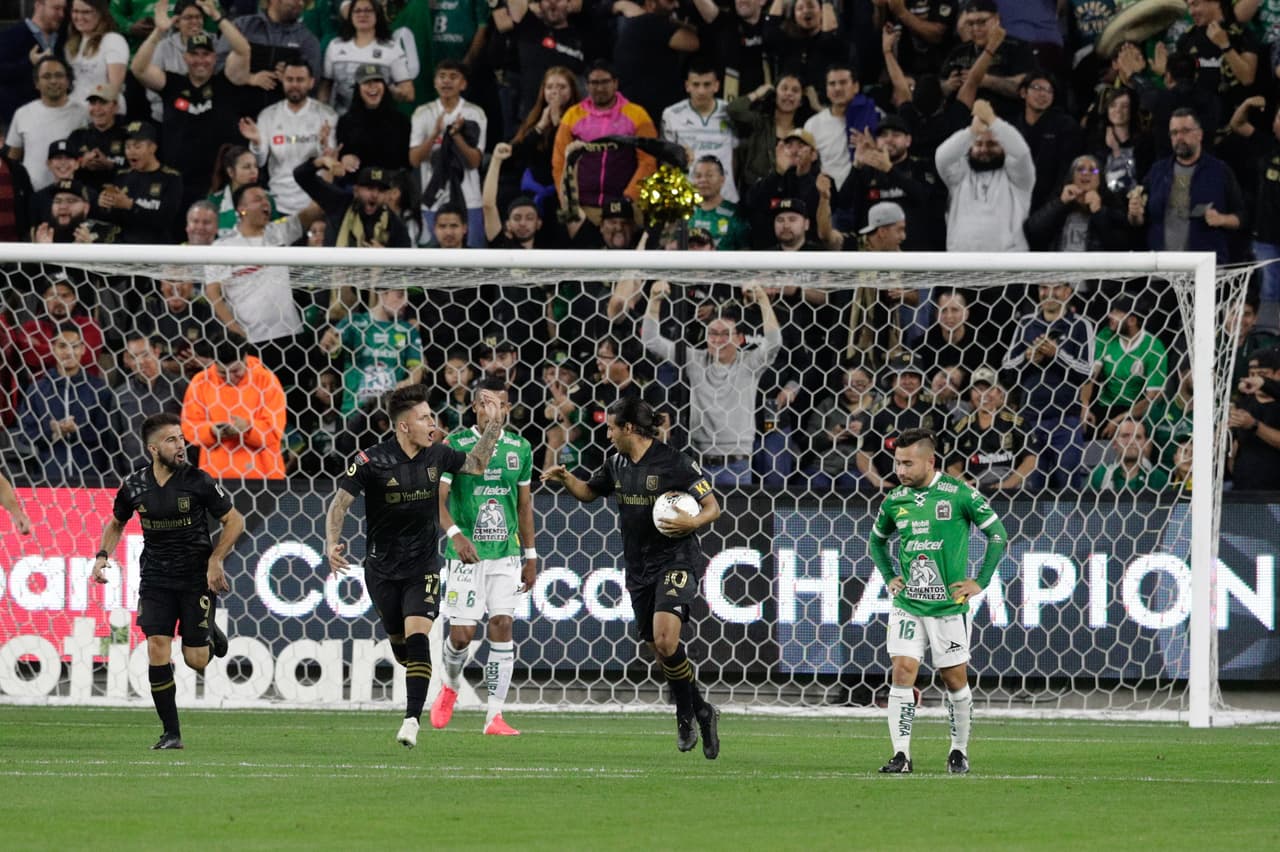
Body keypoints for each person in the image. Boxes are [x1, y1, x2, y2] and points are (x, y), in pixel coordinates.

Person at [324, 383, 505, 747]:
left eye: (432, 416)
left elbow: (478, 463)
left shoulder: (438, 454)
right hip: (381, 569)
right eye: (425, 418)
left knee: (419, 636)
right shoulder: (371, 460)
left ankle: (411, 721)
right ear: (404, 426)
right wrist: (331, 543)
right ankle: (416, 680)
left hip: (422, 566)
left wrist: (494, 424)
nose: (432, 423)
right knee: (402, 646)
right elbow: (339, 504)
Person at [542, 396, 722, 759]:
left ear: (628, 428)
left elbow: (712, 506)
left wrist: (692, 522)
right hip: (639, 568)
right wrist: (566, 478)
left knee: (665, 639)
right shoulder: (616, 464)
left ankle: (684, 711)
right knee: (660, 649)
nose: (606, 433)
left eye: (610, 427)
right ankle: (702, 709)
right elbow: (589, 494)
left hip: (677, 559)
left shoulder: (675, 463)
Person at [90, 412, 245, 749]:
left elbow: (235, 521)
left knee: (196, 659)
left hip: (194, 578)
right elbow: (116, 523)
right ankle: (171, 733)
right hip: (156, 578)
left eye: (181, 438)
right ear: (153, 448)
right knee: (157, 647)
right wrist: (102, 557)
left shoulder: (198, 481)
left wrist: (216, 559)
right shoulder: (135, 485)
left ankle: (208, 630)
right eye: (172, 440)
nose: (180, 445)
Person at [869, 427, 1008, 775]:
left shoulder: (959, 493)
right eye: (897, 463)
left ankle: (958, 751)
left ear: (930, 461)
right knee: (902, 672)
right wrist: (889, 577)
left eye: (907, 463)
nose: (900, 471)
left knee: (954, 679)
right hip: (909, 604)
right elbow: (876, 542)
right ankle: (901, 755)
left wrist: (980, 581)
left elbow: (997, 534)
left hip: (948, 606)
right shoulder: (895, 500)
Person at [431, 377, 537, 736]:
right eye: (486, 403)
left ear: (508, 408)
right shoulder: (455, 445)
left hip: (505, 553)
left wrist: (531, 555)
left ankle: (494, 716)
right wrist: (455, 535)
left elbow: (524, 506)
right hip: (465, 555)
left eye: (502, 404)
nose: (495, 410)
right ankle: (450, 683)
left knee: (502, 626)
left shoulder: (520, 448)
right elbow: (437, 500)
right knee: (462, 635)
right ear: (475, 406)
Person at [642, 282, 783, 487]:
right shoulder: (695, 360)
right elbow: (651, 340)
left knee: (736, 519)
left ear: (740, 339)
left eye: (724, 334)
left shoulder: (750, 363)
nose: (717, 340)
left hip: (737, 466)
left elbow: (774, 342)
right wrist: (655, 300)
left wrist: (762, 299)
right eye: (712, 334)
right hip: (699, 464)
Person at [130, 5, 254, 209]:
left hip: (218, 183)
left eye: (206, 55)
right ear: (185, 58)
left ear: (214, 58)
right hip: (178, 182)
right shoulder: (172, 84)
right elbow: (138, 68)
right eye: (194, 55)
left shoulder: (226, 82)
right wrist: (159, 32)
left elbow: (243, 50)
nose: (200, 61)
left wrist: (217, 17)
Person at [1002, 281, 1095, 489]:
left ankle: (1070, 524)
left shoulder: (1081, 325)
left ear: (1068, 292)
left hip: (1067, 422)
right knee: (1032, 492)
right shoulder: (1026, 323)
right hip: (1030, 422)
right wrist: (1028, 357)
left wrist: (1056, 354)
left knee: (1068, 490)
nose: (1049, 293)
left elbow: (1086, 371)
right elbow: (1007, 369)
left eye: (1056, 288)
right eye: (1044, 287)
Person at [1128, 108, 1244, 263]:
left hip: (1204, 270)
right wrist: (1134, 214)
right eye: (1174, 133)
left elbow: (1242, 217)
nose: (1179, 137)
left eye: (1185, 131)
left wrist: (1222, 219)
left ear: (1199, 134)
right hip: (1161, 270)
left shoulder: (1220, 171)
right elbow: (1138, 221)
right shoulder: (1157, 171)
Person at [552, 60, 658, 216]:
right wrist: (567, 200)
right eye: (594, 83)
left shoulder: (638, 115)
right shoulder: (572, 116)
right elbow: (560, 162)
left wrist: (630, 197)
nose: (599, 88)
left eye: (605, 82)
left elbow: (649, 161)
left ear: (615, 83)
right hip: (583, 207)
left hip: (625, 207)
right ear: (586, 85)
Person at [17, 324, 114, 486]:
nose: (69, 352)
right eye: (62, 346)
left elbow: (109, 434)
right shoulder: (37, 390)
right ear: (52, 348)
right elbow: (25, 434)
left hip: (92, 478)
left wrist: (78, 431)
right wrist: (52, 431)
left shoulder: (100, 389)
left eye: (74, 346)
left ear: (83, 349)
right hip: (48, 477)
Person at [238, 58, 336, 215]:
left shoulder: (327, 115)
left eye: (300, 80)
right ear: (283, 81)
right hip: (278, 202)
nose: (295, 84)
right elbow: (259, 162)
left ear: (311, 82)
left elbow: (331, 164)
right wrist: (256, 142)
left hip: (313, 204)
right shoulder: (268, 115)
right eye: (290, 79)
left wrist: (324, 146)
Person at [936, 97, 1034, 252]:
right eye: (978, 144)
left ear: (1004, 147)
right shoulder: (959, 177)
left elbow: (1021, 153)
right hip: (963, 267)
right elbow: (942, 157)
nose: (983, 149)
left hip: (1009, 267)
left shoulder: (1018, 179)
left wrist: (993, 121)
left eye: (992, 144)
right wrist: (971, 132)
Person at [180, 340, 287, 481]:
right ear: (213, 363)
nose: (230, 378)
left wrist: (248, 428)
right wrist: (212, 431)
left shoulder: (266, 381)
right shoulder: (201, 381)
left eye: (236, 371)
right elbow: (189, 427)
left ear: (245, 358)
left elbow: (274, 431)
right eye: (222, 373)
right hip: (215, 476)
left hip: (263, 476)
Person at [409, 59, 487, 245]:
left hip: (469, 200)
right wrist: (435, 133)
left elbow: (475, 161)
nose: (446, 81)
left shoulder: (474, 113)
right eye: (442, 76)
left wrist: (456, 136)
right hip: (433, 200)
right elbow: (414, 159)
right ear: (435, 82)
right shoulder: (423, 113)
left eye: (453, 77)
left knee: (473, 262)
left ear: (463, 84)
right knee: (431, 265)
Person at [944, 367, 1042, 493]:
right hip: (976, 491)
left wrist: (1006, 486)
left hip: (1011, 491)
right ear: (971, 393)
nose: (983, 394)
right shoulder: (960, 428)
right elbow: (953, 465)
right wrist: (968, 487)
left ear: (999, 393)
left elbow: (1031, 460)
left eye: (989, 389)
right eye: (978, 389)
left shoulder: (1017, 424)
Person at [94, 119, 184, 244]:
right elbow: (112, 218)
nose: (131, 151)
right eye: (127, 146)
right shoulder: (122, 176)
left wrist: (130, 206)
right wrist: (104, 205)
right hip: (124, 247)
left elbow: (166, 219)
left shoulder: (171, 177)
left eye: (137, 146)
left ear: (152, 148)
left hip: (158, 248)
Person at [5, 56, 88, 191]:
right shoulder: (22, 113)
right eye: (47, 76)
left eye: (59, 75)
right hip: (31, 194)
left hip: (72, 196)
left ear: (68, 81)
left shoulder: (84, 113)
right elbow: (13, 159)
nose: (53, 81)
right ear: (36, 83)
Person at [319, 0, 413, 114]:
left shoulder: (392, 48)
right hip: (342, 120)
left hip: (380, 120)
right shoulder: (335, 46)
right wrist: (322, 113)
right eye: (357, 11)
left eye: (368, 10)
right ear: (350, 16)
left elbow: (409, 94)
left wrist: (386, 89)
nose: (362, 14)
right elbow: (325, 87)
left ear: (377, 14)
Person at [662, 62, 739, 202]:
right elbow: (667, 161)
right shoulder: (671, 115)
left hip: (726, 198)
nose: (701, 91)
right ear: (687, 86)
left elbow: (735, 157)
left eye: (707, 84)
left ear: (716, 86)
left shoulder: (730, 113)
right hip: (687, 199)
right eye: (696, 85)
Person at [113, 333, 188, 469]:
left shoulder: (180, 387)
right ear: (127, 360)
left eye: (145, 354)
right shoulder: (120, 394)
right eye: (134, 357)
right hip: (135, 472)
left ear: (156, 352)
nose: (141, 361)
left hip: (174, 472)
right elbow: (113, 441)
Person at [334, 63, 411, 172]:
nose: (372, 86)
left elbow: (408, 162)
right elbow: (340, 155)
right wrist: (343, 158)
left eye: (377, 81)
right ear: (357, 88)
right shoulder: (346, 122)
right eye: (366, 82)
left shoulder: (401, 121)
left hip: (391, 184)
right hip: (357, 185)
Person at [0, 0, 65, 126]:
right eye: (56, 8)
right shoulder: (10, 36)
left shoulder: (64, 38)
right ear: (39, 5)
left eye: (63, 9)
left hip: (57, 120)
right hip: (19, 124)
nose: (61, 14)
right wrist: (29, 62)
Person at [1228, 347, 1280, 490]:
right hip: (1243, 490)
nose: (1254, 380)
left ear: (1278, 374)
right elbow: (1235, 446)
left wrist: (1254, 425)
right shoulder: (1243, 402)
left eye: (1262, 375)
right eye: (1252, 374)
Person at [64, 0, 127, 108]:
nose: (79, 17)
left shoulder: (113, 40)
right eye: (75, 11)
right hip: (75, 110)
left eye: (86, 12)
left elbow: (114, 89)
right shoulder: (71, 44)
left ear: (101, 13)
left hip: (102, 112)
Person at [67, 83, 127, 193]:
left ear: (115, 107)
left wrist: (110, 166)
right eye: (93, 103)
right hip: (83, 199)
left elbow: (140, 173)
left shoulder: (128, 135)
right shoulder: (77, 136)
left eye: (103, 103)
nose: (97, 109)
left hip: (118, 197)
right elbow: (64, 170)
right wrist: (81, 163)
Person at [206, 144, 275, 238]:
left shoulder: (268, 199)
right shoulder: (214, 202)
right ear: (231, 172)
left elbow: (276, 234)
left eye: (255, 166)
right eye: (247, 167)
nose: (253, 171)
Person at [1086, 417, 1170, 493]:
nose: (1131, 442)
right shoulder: (1099, 474)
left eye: (1138, 437)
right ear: (1114, 443)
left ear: (1145, 444)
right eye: (1125, 436)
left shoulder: (1159, 479)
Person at [689, 155, 749, 249]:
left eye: (709, 175)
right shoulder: (685, 212)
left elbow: (746, 252)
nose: (703, 180)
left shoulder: (735, 214)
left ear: (722, 179)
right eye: (698, 176)